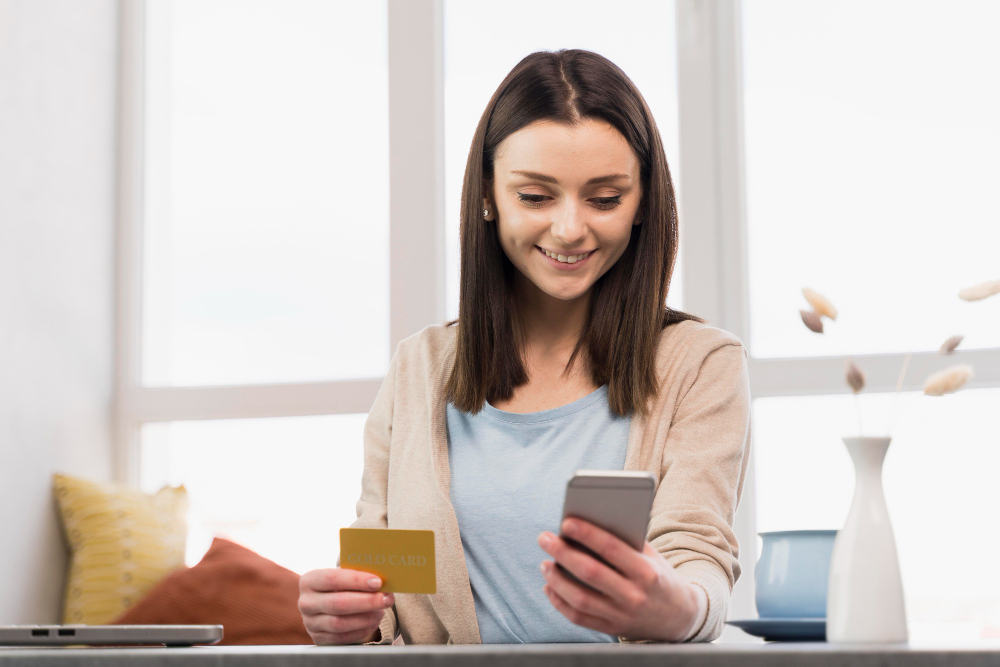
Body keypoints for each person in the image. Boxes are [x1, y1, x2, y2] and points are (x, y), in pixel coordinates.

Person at [298, 48, 752, 645]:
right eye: (536, 197)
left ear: (644, 203)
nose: (569, 229)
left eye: (606, 198)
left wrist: (682, 610)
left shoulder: (701, 364)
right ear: (488, 195)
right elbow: (380, 584)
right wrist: (344, 617)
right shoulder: (418, 370)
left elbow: (698, 550)